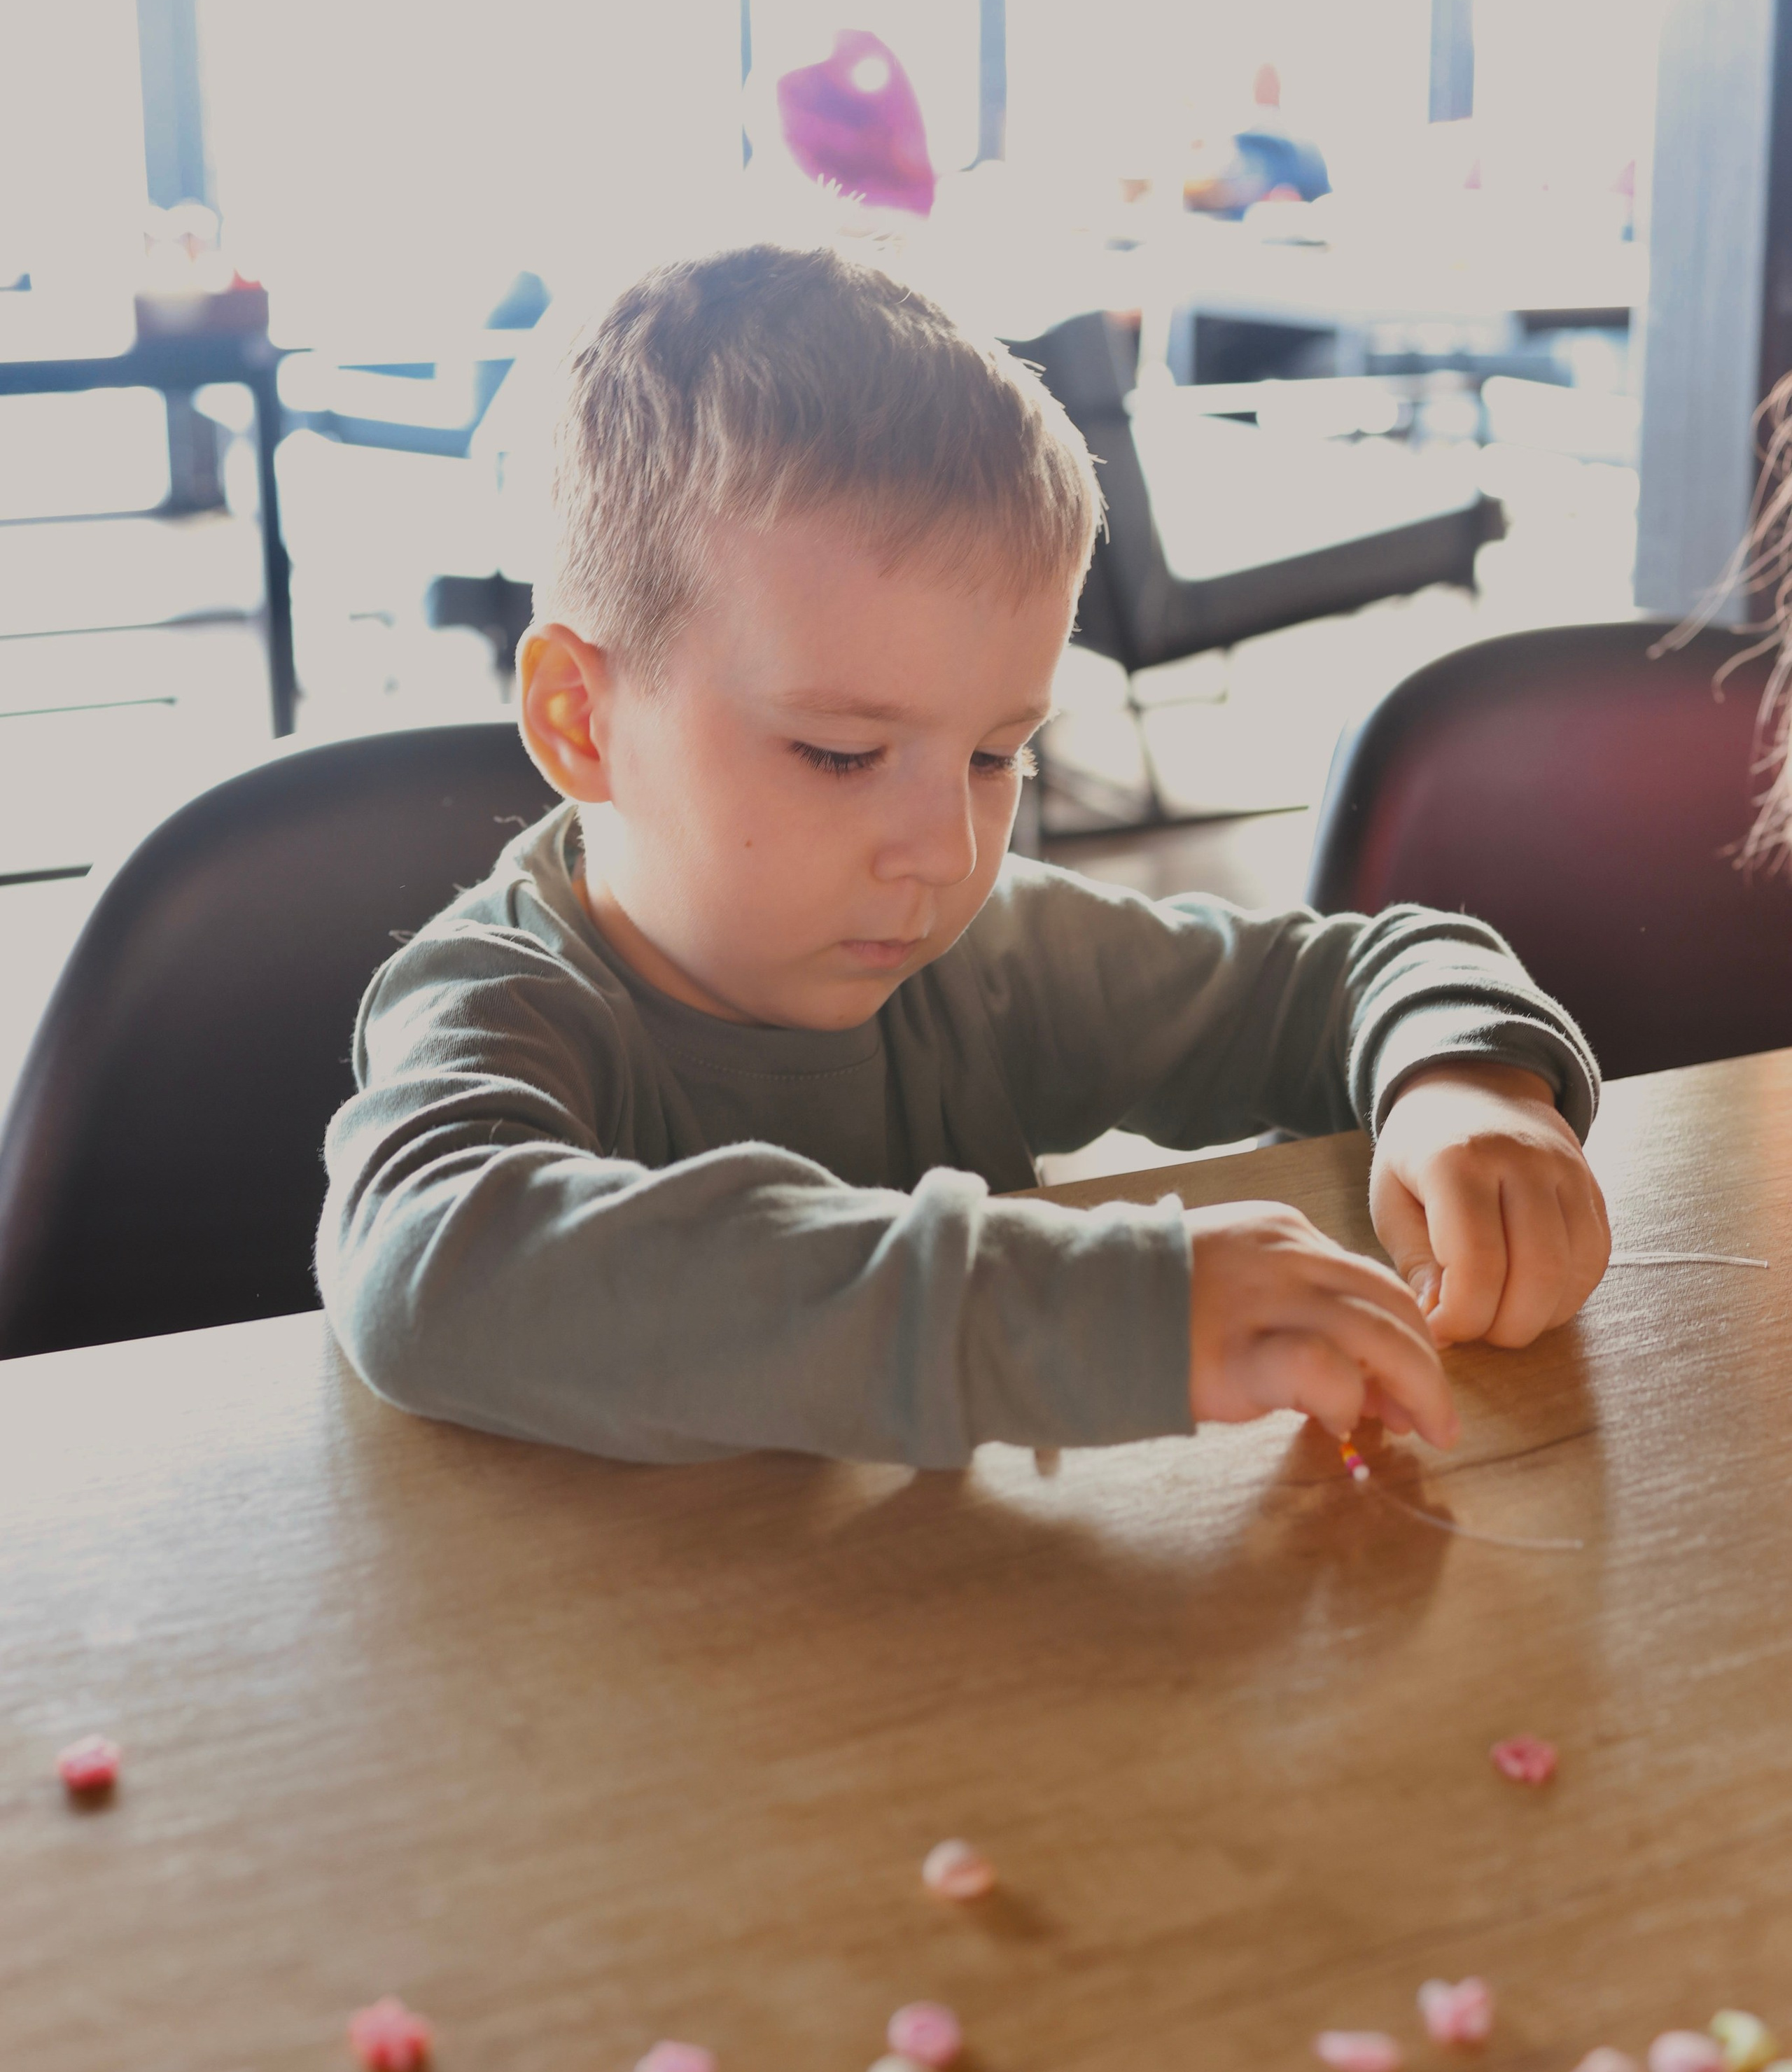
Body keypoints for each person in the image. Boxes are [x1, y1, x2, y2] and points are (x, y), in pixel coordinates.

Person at [318, 244, 1608, 1468]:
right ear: (579, 720)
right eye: (841, 755)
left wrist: (1466, 1080)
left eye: (998, 754)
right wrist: (1071, 1310)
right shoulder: (493, 1004)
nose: (949, 851)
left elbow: (1350, 974)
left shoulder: (977, 956)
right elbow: (434, 1275)